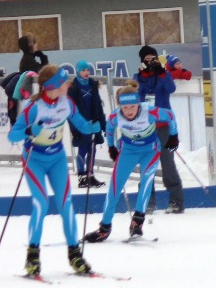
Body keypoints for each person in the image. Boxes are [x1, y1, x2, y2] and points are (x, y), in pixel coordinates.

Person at [7, 65, 102, 276]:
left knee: (66, 203)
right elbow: (12, 136)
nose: (68, 84)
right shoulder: (33, 108)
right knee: (41, 203)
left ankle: (74, 254)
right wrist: (29, 131)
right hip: (35, 159)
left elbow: (81, 125)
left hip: (57, 158)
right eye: (64, 82)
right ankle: (32, 255)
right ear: (52, 86)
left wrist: (92, 127)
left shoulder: (66, 103)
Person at [83, 83, 179, 243]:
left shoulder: (149, 111)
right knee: (114, 188)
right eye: (125, 107)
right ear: (120, 106)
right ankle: (104, 228)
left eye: (132, 106)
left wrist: (173, 135)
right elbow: (109, 130)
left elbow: (170, 116)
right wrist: (112, 147)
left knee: (146, 182)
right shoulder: (115, 116)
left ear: (138, 103)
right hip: (128, 151)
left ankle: (137, 223)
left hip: (150, 150)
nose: (129, 111)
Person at [135, 45, 184, 213]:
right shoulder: (138, 76)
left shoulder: (164, 74)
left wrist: (161, 72)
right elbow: (137, 95)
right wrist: (143, 75)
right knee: (147, 165)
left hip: (163, 126)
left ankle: (176, 201)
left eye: (153, 59)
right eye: (147, 60)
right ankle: (148, 201)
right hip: (146, 127)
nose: (150, 63)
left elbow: (171, 88)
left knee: (167, 163)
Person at [68, 61, 106, 188]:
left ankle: (90, 175)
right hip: (80, 124)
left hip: (93, 123)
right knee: (83, 149)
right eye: (83, 70)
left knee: (92, 149)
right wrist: (74, 130)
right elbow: (70, 110)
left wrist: (103, 124)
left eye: (88, 70)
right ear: (78, 71)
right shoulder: (73, 87)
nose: (86, 72)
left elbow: (98, 106)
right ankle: (81, 176)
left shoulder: (92, 85)